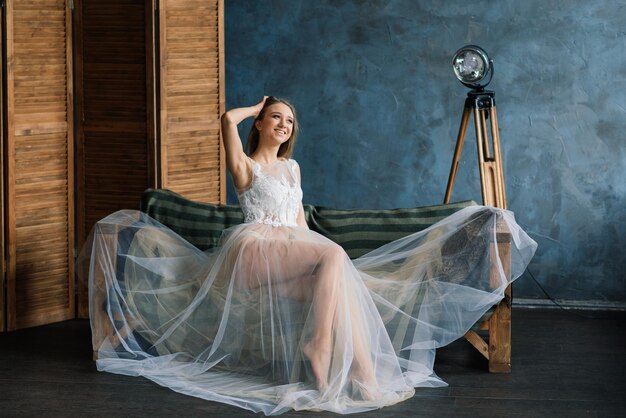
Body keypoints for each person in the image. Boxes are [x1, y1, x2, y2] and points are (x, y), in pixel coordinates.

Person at [82, 96, 537, 415]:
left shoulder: (293, 167)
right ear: (259, 123)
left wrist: (316, 249)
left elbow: (299, 224)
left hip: (291, 250)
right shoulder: (247, 166)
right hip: (253, 253)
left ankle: (361, 373)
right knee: (334, 259)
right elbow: (225, 119)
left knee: (338, 274)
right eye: (275, 118)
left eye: (289, 121)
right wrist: (254, 107)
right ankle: (319, 347)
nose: (283, 125)